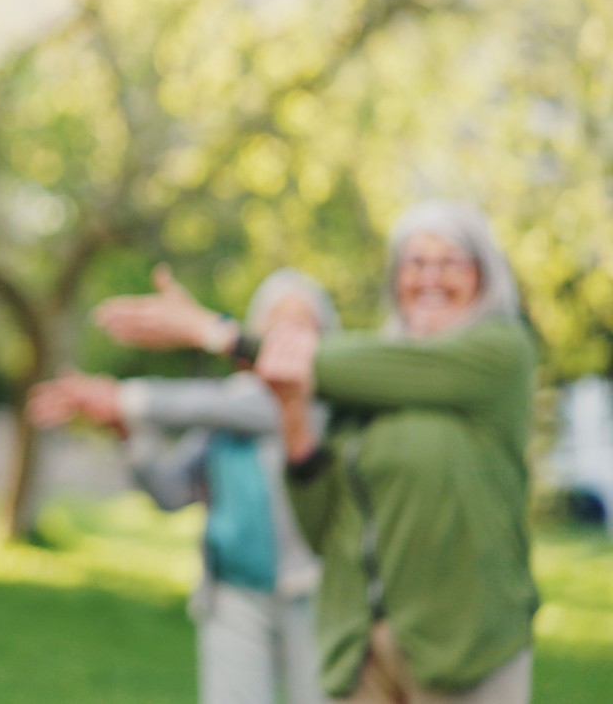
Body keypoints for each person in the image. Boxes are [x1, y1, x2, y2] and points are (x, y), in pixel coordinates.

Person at [96, 202, 538, 704]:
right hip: (361, 652)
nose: (430, 277)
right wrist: (292, 419)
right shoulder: (359, 386)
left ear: (483, 275)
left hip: (465, 646)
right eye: (415, 263)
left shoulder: (500, 352)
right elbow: (322, 526)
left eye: (451, 262)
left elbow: (343, 366)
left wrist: (212, 332)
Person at [31, 268, 335, 704]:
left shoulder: (326, 406)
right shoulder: (225, 408)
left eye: (302, 322)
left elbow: (256, 409)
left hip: (314, 596)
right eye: (275, 321)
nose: (285, 333)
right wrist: (125, 430)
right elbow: (170, 493)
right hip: (233, 595)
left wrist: (127, 398)